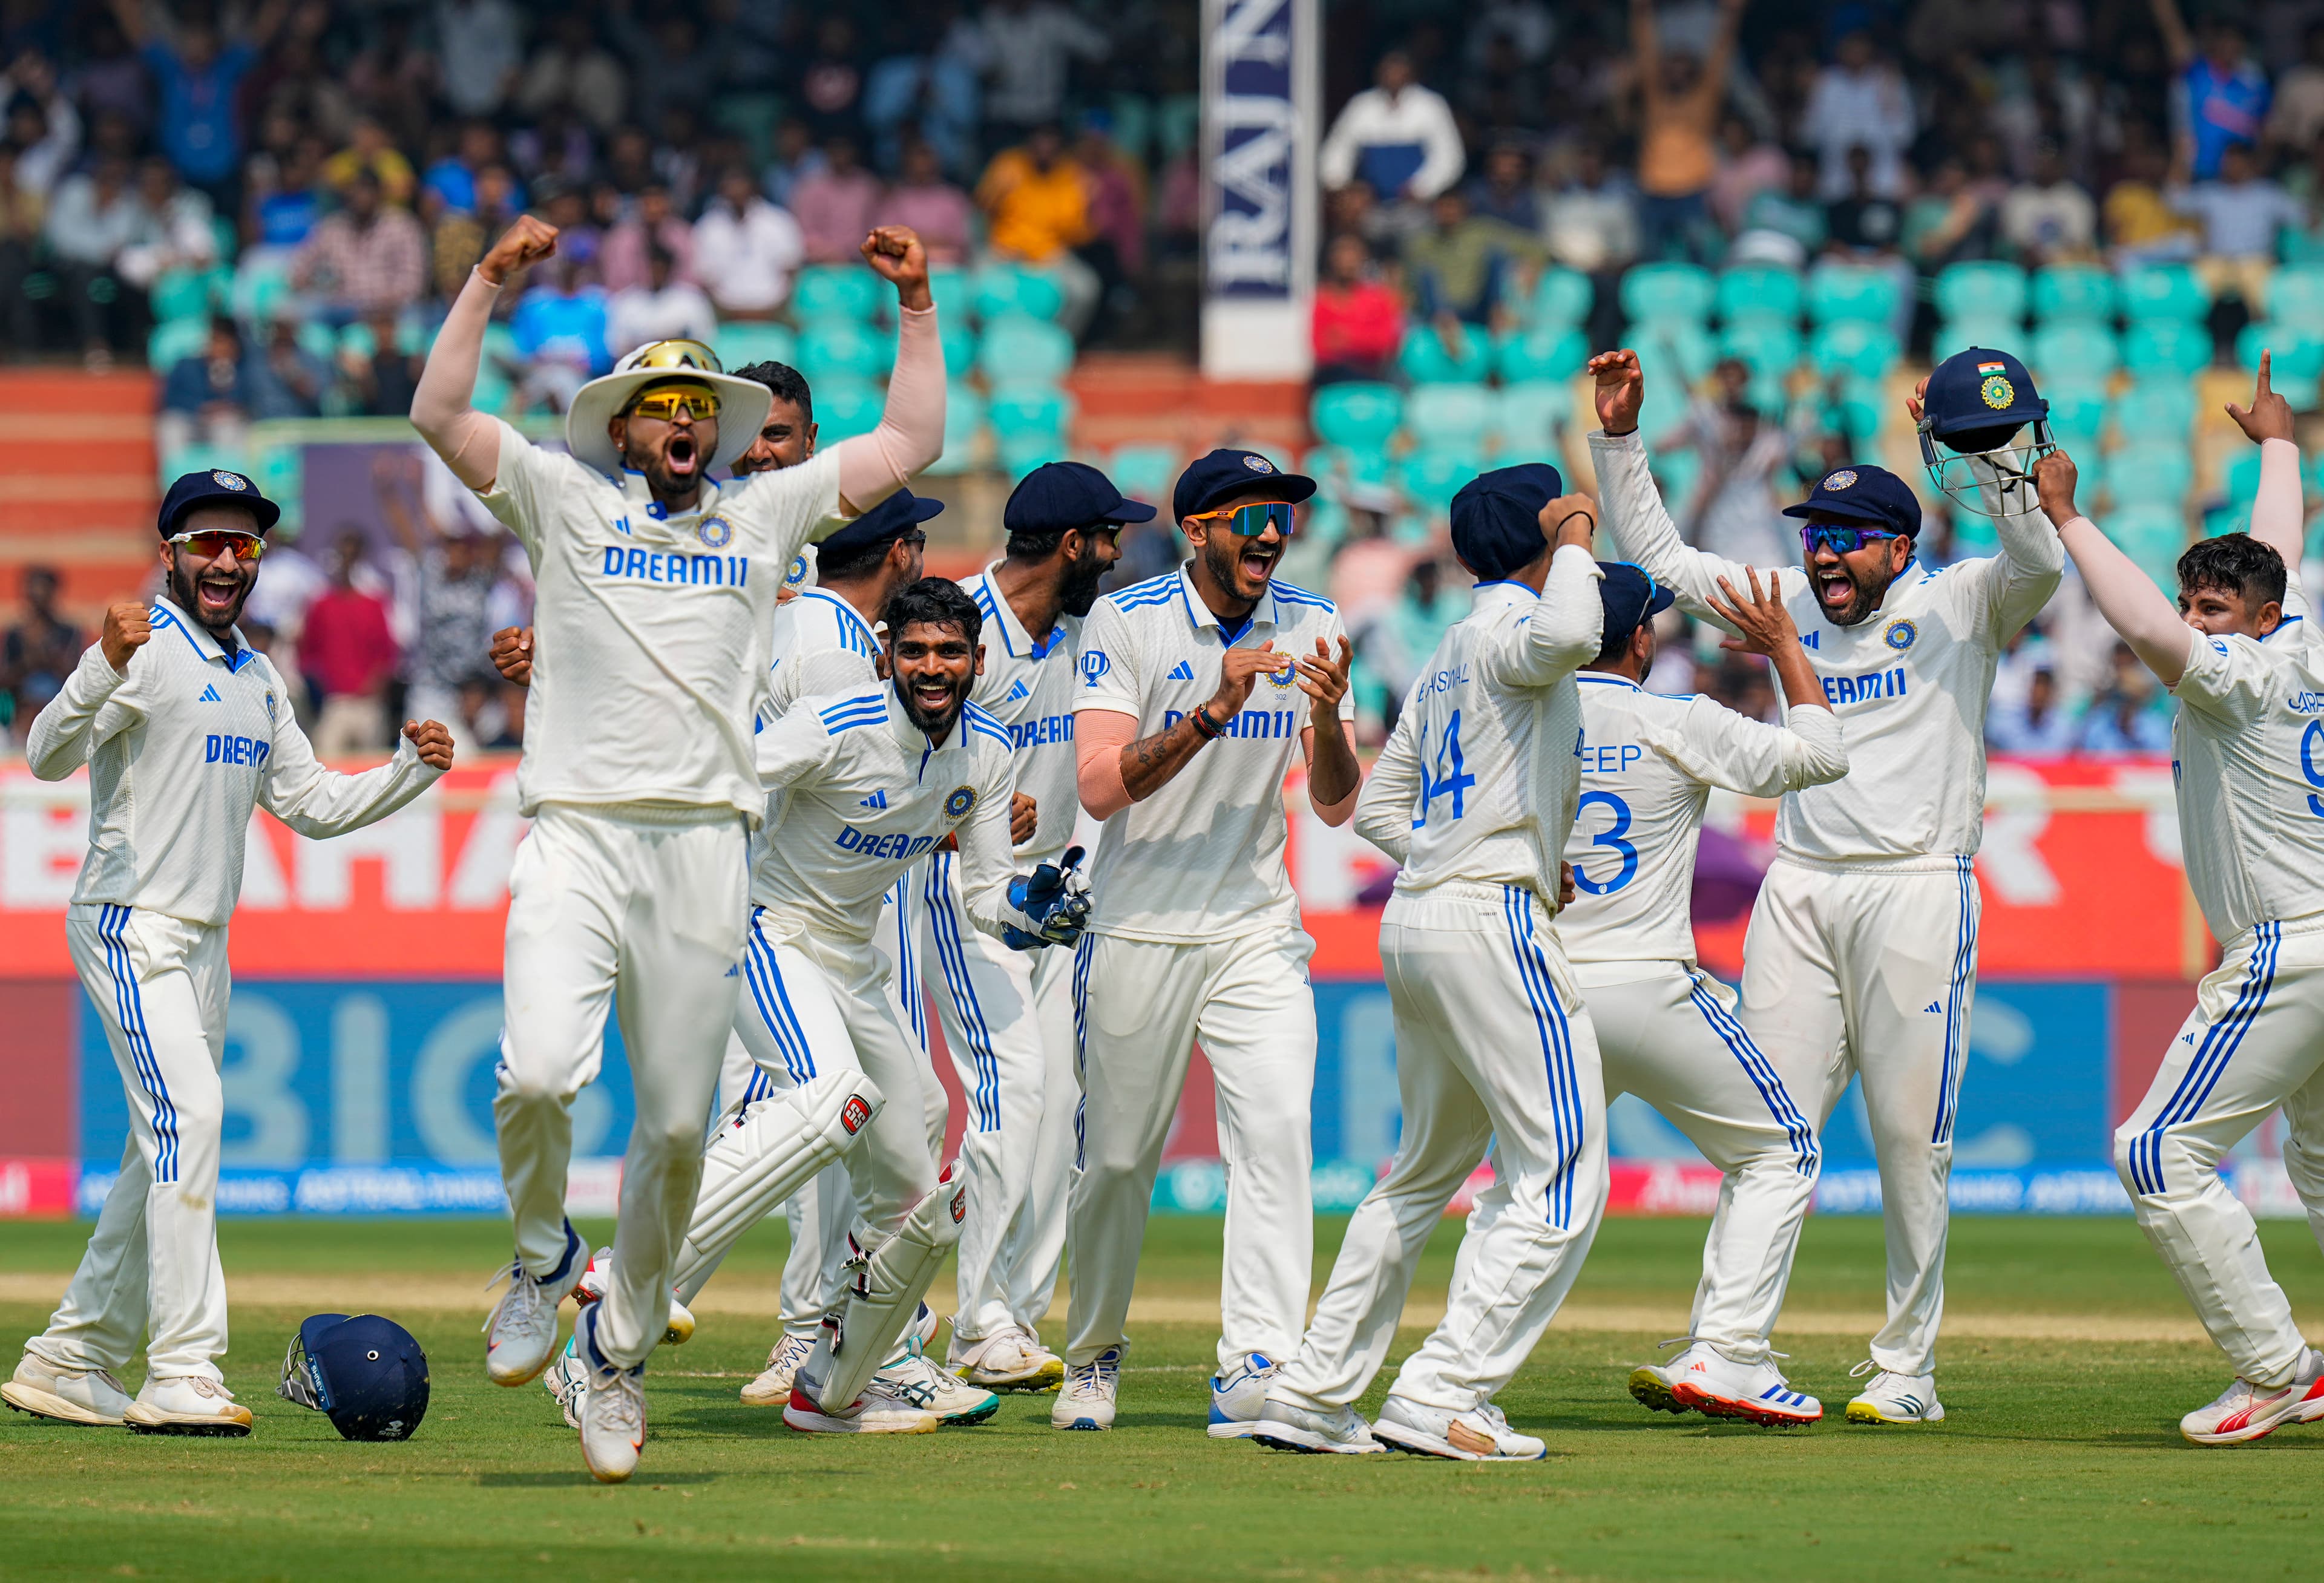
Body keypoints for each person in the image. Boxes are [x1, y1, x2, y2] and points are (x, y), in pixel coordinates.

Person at [408, 212, 943, 1483]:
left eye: (700, 403)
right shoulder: (561, 495)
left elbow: (913, 441)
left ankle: (618, 1355)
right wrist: (486, 283)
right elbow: (437, 413)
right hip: (579, 838)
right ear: (624, 427)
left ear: (721, 425)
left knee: (679, 1135)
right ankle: (541, 1258)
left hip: (707, 851)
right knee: (538, 1077)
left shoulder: (767, 518)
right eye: (660, 403)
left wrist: (918, 305)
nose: (683, 420)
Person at [1588, 342, 2064, 1423]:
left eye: (1852, 540)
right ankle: (1727, 1347)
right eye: (1818, 537)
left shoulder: (1965, 603)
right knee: (1772, 1129)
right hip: (1799, 890)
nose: (1828, 556)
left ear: (1903, 544)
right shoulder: (1784, 602)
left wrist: (1984, 452)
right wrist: (1619, 438)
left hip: (1915, 889)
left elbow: (2039, 559)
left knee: (1911, 1142)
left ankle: (1907, 1373)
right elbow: (1655, 547)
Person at [0, 469, 449, 1435]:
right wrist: (100, 665)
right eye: (205, 542)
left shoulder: (255, 676)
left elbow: (313, 806)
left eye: (241, 546)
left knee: (155, 1148)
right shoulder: (143, 649)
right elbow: (42, 753)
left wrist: (411, 769)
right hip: (130, 924)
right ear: (170, 553)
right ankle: (182, 1369)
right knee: (194, 1119)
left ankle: (71, 1356)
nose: (224, 560)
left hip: (206, 947)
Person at [1249, 468, 1605, 1460]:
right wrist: (1578, 527)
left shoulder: (1453, 645)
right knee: (1563, 1169)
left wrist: (1462, 855)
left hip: (1424, 917)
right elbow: (1577, 632)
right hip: (1490, 919)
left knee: (1418, 1178)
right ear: (1543, 529)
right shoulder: (1514, 633)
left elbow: (1376, 807)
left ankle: (1314, 1394)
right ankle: (1442, 1389)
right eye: (1564, 516)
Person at [2035, 359, 2324, 1443]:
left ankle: (2275, 1368)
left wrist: (2069, 519)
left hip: (2289, 949)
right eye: (2195, 602)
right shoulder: (2296, 636)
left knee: (2157, 1152)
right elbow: (2278, 557)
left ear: (2250, 620)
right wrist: (2282, 448)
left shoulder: (2236, 674)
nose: (2197, 623)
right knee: (2321, 1160)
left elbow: (2154, 633)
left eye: (2215, 609)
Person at [1055, 448, 1358, 1435]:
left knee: (1276, 1134)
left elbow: (1334, 799)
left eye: (1283, 515)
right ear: (1199, 530)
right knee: (1118, 1161)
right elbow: (1100, 785)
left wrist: (1327, 715)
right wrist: (1216, 707)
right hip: (1138, 922)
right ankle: (1092, 1355)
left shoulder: (1312, 621)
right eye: (1253, 514)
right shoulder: (1128, 620)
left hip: (1254, 926)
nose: (1273, 531)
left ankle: (1257, 1365)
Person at [1560, 566, 1846, 1427]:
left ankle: (1428, 1381)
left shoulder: (1516, 713)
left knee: (1494, 1188)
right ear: (1641, 640)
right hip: (1646, 984)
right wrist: (1788, 647)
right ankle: (1730, 1354)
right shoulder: (1671, 718)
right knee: (1780, 1151)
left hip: (1533, 989)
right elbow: (1821, 757)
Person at [933, 462, 1144, 1392]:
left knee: (1058, 1119)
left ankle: (1009, 1318)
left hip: (1053, 905)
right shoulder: (952, 624)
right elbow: (888, 747)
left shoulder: (1089, 634)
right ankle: (969, 1315)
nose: (1119, 550)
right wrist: (961, 807)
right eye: (1109, 536)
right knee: (1008, 1098)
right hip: (961, 896)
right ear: (1071, 545)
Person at [1631, 0, 1744, 263]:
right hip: (1653, 191)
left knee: (1700, 260)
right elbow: (1646, 52)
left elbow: (1720, 55)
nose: (1677, 74)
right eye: (1671, 68)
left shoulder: (1703, 102)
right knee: (1649, 260)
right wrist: (1641, 11)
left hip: (1692, 192)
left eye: (1684, 68)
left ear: (1694, 71)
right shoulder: (1655, 100)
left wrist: (1731, 15)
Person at [1318, 50, 1465, 209]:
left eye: (1399, 71)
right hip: (1372, 205)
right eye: (1388, 71)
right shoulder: (1362, 106)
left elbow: (1449, 156)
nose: (1393, 77)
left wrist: (1423, 187)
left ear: (1410, 74)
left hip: (1417, 205)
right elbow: (1339, 148)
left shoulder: (1430, 106)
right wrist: (1339, 183)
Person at [298, 531, 401, 757]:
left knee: (374, 773)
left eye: (353, 556)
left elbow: (388, 654)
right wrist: (323, 690)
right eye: (342, 555)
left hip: (369, 705)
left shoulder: (376, 604)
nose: (347, 562)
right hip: (335, 703)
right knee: (326, 767)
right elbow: (306, 654)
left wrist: (375, 686)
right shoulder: (321, 605)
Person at [2152, 0, 2269, 182]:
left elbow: (2264, 132)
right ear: (2214, 42)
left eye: (2235, 40)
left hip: (2241, 179)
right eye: (2224, 39)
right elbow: (2171, 29)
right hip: (2201, 175)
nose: (2229, 45)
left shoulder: (2255, 83)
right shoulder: (2198, 73)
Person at [290, 169, 427, 324]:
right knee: (304, 317)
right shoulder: (331, 229)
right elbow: (298, 269)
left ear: (379, 194)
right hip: (338, 314)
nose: (361, 197)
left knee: (413, 320)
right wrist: (317, 284)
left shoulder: (402, 227)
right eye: (355, 191)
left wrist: (380, 305)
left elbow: (413, 283)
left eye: (367, 191)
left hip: (388, 314)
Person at [692, 165, 807, 321]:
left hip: (775, 309)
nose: (736, 191)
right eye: (730, 186)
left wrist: (773, 310)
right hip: (724, 312)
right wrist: (729, 312)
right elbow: (706, 280)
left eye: (740, 184)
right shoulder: (708, 226)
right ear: (721, 190)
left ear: (754, 187)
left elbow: (792, 271)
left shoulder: (779, 221)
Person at [1311, 233, 1404, 385]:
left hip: (1374, 375)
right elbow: (1320, 349)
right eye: (1342, 252)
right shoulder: (1322, 300)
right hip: (1334, 377)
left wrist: (1348, 338)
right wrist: (1365, 342)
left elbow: (1386, 342)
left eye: (1353, 252)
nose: (1347, 260)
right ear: (1332, 259)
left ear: (1363, 258)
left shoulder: (1379, 298)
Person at [2, 566, 82, 733]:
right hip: (21, 705)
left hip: (57, 704)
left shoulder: (69, 632)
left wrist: (46, 655)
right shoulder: (15, 634)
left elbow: (76, 675)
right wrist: (28, 661)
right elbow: (5, 679)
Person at [607, 244, 717, 359]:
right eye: (653, 268)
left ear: (670, 269)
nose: (656, 274)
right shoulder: (626, 302)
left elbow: (706, 340)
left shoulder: (692, 300)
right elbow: (617, 347)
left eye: (661, 269)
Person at [790, 137, 885, 266]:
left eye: (845, 151)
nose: (841, 156)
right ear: (827, 154)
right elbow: (802, 230)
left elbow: (878, 225)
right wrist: (828, 253)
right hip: (819, 263)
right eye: (836, 151)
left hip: (861, 262)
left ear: (854, 153)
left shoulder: (867, 187)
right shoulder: (811, 188)